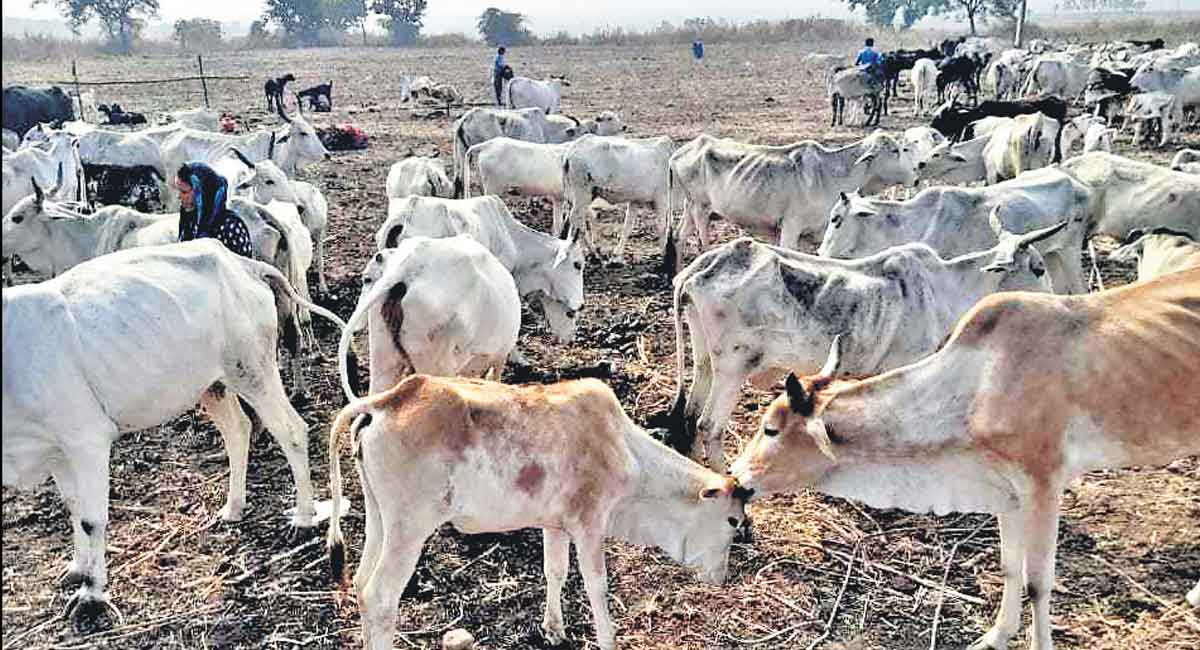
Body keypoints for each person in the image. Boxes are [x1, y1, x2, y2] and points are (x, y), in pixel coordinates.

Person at [176, 162, 254, 258]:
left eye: (184, 192)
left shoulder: (230, 227)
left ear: (202, 194)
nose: (178, 197)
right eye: (178, 190)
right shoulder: (190, 222)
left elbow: (243, 269)